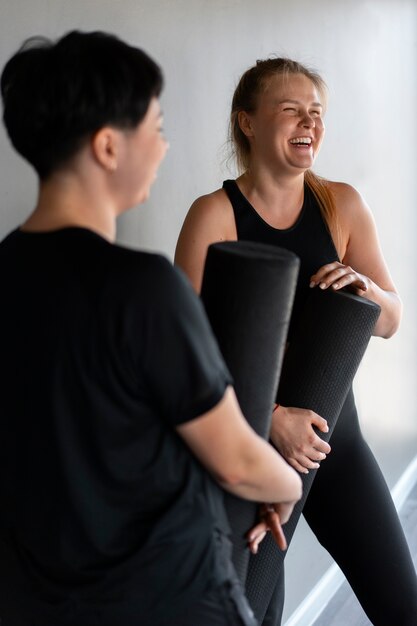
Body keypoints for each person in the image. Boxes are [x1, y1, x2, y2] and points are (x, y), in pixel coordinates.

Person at [0, 34, 303, 626]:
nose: (163, 148)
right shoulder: (141, 288)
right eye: (156, 127)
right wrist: (286, 487)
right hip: (167, 599)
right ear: (109, 146)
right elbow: (237, 459)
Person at [175, 57, 417, 625]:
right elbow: (183, 350)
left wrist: (366, 291)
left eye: (316, 113)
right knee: (253, 615)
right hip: (249, 442)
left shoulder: (341, 205)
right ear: (248, 123)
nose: (309, 123)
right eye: (291, 111)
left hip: (334, 443)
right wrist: (273, 415)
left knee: (403, 607)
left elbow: (392, 318)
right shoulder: (214, 215)